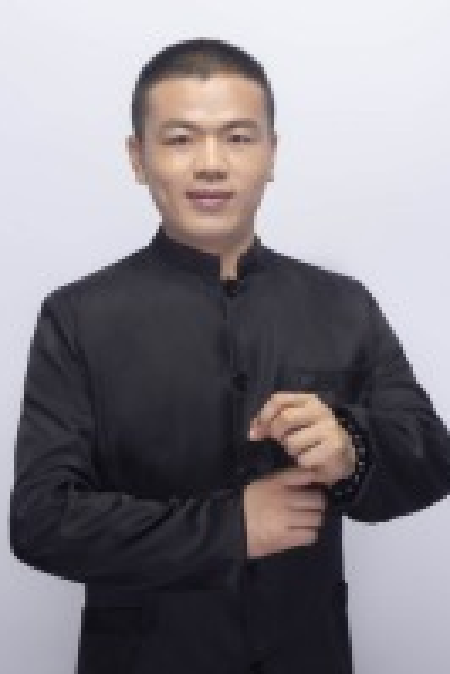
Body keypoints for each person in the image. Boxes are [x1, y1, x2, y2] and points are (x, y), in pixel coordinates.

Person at [8, 37, 450, 674]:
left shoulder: (343, 304)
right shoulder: (76, 317)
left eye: (239, 138)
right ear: (137, 157)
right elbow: (42, 520)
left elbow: (433, 460)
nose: (211, 165)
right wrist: (230, 528)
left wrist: (351, 451)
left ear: (272, 153)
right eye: (180, 139)